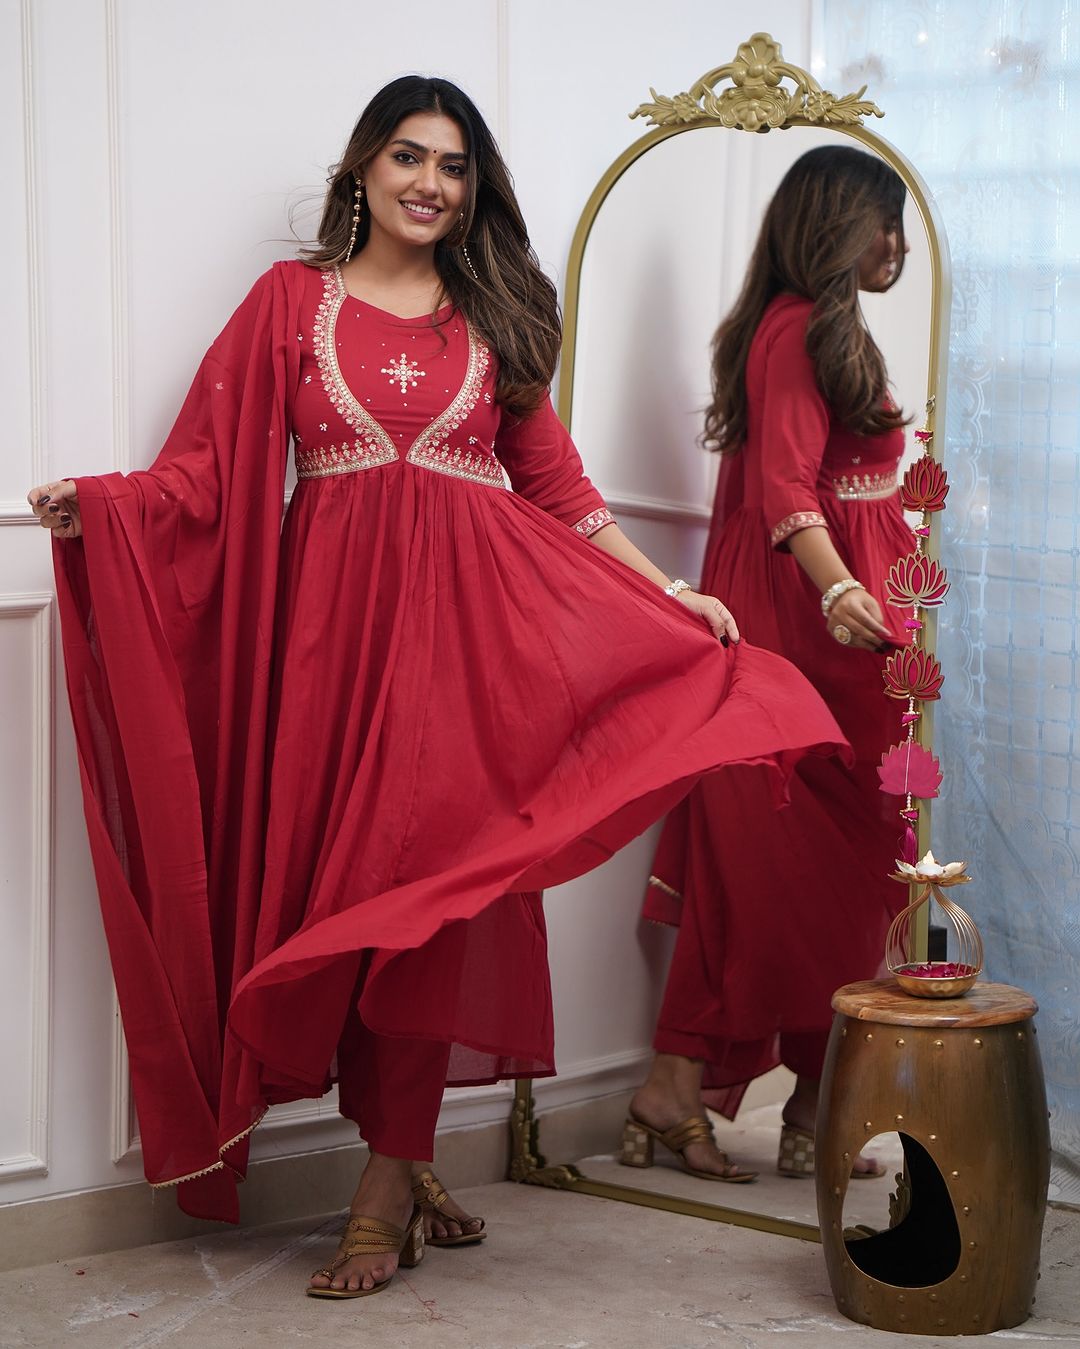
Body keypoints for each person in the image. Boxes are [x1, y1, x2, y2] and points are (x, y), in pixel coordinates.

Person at [29, 78, 844, 1299]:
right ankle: (406, 1164)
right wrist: (105, 505)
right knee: (348, 901)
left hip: (470, 662)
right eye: (407, 157)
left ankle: (381, 1183)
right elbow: (200, 469)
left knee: (430, 902)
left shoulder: (492, 319)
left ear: (473, 188)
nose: (429, 182)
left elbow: (561, 492)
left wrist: (668, 597)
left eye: (454, 165)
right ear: (361, 169)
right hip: (332, 660)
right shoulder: (287, 306)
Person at [626, 145, 913, 1185]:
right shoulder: (795, 328)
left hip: (845, 642)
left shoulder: (821, 328)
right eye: (883, 224)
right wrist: (844, 592)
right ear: (837, 223)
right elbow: (790, 493)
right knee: (782, 872)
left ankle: (807, 1104)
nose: (899, 248)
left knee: (830, 876)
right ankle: (692, 1084)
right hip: (806, 633)